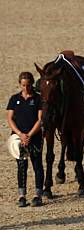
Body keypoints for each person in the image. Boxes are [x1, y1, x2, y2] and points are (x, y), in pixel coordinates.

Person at [6, 71, 44, 207]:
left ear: (32, 84)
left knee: (37, 165)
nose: (26, 88)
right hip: (18, 138)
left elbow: (40, 120)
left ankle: (38, 195)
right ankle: (22, 195)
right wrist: (20, 134)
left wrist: (29, 135)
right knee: (21, 166)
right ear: (20, 84)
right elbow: (10, 118)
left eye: (28, 85)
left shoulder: (39, 99)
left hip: (34, 136)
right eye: (23, 85)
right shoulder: (14, 99)